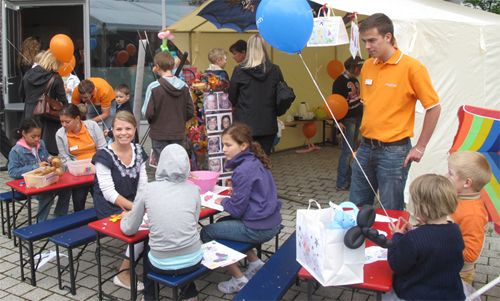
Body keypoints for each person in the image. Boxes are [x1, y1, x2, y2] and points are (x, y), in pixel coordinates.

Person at [349, 13, 441, 211]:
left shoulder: (412, 68)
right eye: (365, 41)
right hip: (365, 147)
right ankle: (358, 241)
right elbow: (369, 105)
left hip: (394, 152)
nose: (367, 46)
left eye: (372, 40)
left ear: (388, 37)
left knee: (390, 211)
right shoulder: (366, 66)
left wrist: (420, 147)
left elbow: (433, 108)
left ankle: (392, 242)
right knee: (355, 207)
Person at [200, 123, 282, 294]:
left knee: (207, 232)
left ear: (243, 145)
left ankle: (238, 280)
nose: (224, 149)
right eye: (223, 144)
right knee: (223, 222)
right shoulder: (254, 160)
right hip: (271, 220)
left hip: (260, 227)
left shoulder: (242, 170)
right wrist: (236, 193)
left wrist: (222, 201)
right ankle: (255, 264)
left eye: (228, 145)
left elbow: (236, 210)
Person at [121, 144, 202, 301]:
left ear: (160, 163)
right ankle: (189, 294)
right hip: (194, 259)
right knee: (182, 246)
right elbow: (192, 221)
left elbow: (130, 228)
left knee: (148, 246)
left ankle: (149, 296)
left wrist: (125, 219)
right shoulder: (194, 189)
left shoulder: (148, 189)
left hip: (161, 263)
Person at [92, 111, 148, 290]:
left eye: (128, 128)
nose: (124, 133)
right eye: (119, 129)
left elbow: (143, 185)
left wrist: (141, 205)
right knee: (140, 226)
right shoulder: (103, 156)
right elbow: (108, 193)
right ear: (111, 131)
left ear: (135, 129)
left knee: (153, 220)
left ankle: (156, 266)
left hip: (133, 201)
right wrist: (138, 209)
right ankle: (123, 273)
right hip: (109, 206)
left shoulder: (138, 150)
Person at [387, 174, 465, 300]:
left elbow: (396, 265)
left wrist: (397, 237)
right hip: (449, 294)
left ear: (421, 206)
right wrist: (419, 229)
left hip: (417, 295)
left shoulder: (413, 239)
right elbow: (436, 242)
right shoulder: (455, 230)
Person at [228, 34, 285, 157]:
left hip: (244, 125)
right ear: (265, 49)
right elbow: (281, 95)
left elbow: (232, 98)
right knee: (263, 162)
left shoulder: (239, 70)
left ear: (249, 50)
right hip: (268, 123)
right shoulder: (275, 70)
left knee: (244, 162)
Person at [8, 118, 70, 222]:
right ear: (24, 133)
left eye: (39, 135)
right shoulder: (16, 151)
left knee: (66, 189)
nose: (37, 139)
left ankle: (59, 216)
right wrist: (36, 167)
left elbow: (46, 156)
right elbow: (12, 172)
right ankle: (40, 224)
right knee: (46, 197)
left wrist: (51, 158)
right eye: (33, 136)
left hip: (45, 180)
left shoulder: (40, 143)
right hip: (28, 183)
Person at [446, 151, 491, 284]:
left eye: (450, 173)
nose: (445, 176)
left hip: (457, 274)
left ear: (466, 183)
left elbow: (471, 256)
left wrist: (441, 241)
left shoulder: (473, 214)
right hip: (448, 266)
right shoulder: (460, 198)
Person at [143, 51, 195, 163]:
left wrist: (154, 121)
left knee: (162, 165)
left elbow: (147, 113)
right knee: (177, 163)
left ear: (157, 67)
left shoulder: (153, 87)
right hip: (178, 133)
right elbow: (191, 111)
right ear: (173, 66)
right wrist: (180, 119)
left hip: (159, 133)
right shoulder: (184, 86)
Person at [56, 104, 107, 212]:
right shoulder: (60, 134)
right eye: (62, 121)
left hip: (97, 169)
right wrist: (76, 168)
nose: (64, 125)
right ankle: (80, 223)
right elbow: (64, 158)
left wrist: (97, 165)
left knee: (101, 198)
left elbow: (103, 148)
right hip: (77, 173)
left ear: (77, 118)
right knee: (78, 198)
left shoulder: (92, 126)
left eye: (67, 122)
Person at [20, 50, 67, 156]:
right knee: (47, 147)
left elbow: (21, 94)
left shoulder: (28, 74)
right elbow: (62, 98)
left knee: (30, 143)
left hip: (29, 111)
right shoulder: (55, 77)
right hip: (48, 114)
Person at [333, 56, 364, 191]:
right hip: (348, 119)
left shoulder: (355, 81)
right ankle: (341, 182)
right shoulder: (339, 81)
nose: (359, 71)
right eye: (358, 68)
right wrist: (338, 121)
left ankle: (348, 179)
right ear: (351, 66)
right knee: (347, 151)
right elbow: (335, 102)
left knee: (351, 150)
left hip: (357, 117)